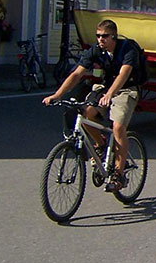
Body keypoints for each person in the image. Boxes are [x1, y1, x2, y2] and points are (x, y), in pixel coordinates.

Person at [43, 20, 143, 192]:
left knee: (118, 127)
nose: (100, 40)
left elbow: (124, 74)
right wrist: (57, 95)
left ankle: (119, 174)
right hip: (105, 89)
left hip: (126, 89)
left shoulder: (127, 49)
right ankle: (102, 146)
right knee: (86, 114)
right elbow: (77, 74)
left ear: (114, 36)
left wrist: (111, 94)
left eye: (104, 36)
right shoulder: (96, 50)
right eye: (98, 36)